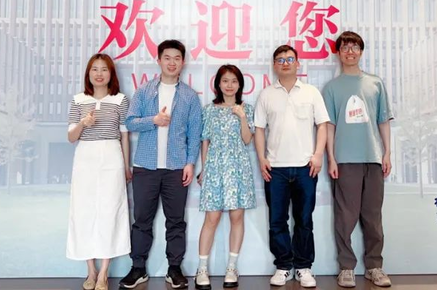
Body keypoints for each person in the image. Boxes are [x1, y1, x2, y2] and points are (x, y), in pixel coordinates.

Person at [120, 40, 203, 290]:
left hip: (176, 168)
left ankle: (174, 269)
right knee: (141, 220)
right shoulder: (144, 91)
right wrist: (154, 120)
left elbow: (195, 133)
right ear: (158, 60)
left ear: (183, 62)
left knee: (176, 221)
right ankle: (138, 268)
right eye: (167, 57)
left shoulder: (189, 96)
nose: (171, 62)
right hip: (145, 167)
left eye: (177, 58)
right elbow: (130, 122)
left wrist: (190, 163)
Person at [254, 45, 330, 288]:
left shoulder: (311, 92)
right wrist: (262, 159)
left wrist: (318, 155)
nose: (285, 63)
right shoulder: (266, 94)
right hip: (275, 169)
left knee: (304, 220)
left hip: (305, 167)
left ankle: (304, 267)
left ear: (298, 63)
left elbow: (322, 125)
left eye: (289, 59)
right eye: (280, 60)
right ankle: (283, 266)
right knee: (277, 221)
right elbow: (259, 129)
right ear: (274, 65)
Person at [322, 31, 392, 288]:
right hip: (344, 160)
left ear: (361, 52)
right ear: (338, 53)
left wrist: (387, 152)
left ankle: (375, 267)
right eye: (345, 47)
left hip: (373, 158)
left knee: (373, 217)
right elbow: (329, 126)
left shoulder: (375, 83)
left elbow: (383, 120)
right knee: (345, 217)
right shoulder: (331, 88)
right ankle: (346, 268)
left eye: (354, 47)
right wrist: (331, 158)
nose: (350, 51)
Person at [67, 53, 132, 290]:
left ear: (111, 74)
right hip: (85, 157)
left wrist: (126, 166)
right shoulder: (78, 100)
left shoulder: (120, 100)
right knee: (83, 211)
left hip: (112, 155)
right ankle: (91, 271)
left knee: (109, 210)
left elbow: (124, 135)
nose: (99, 73)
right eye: (94, 69)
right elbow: (71, 137)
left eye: (104, 69)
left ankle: (104, 272)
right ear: (88, 73)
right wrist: (83, 124)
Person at [194, 65, 256, 290]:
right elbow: (205, 141)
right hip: (215, 167)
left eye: (234, 81)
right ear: (218, 84)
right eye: (225, 81)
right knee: (211, 218)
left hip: (238, 168)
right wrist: (204, 169)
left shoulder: (247, 109)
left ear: (240, 85)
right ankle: (202, 268)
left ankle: (232, 267)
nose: (229, 85)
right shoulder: (209, 110)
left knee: (237, 217)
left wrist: (242, 117)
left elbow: (247, 139)